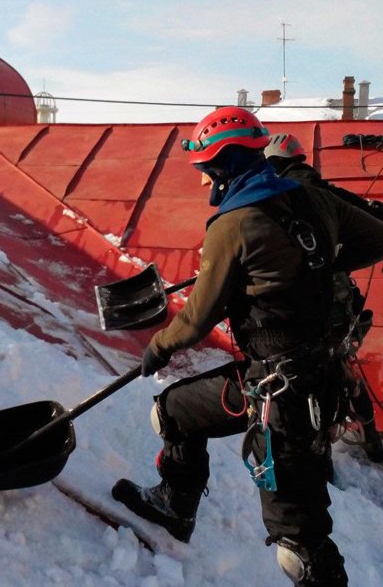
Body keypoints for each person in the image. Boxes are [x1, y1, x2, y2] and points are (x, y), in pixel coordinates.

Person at [110, 107, 383, 586]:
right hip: (287, 379)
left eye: (205, 171)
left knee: (300, 547)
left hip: (285, 396)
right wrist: (317, 261)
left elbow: (197, 319)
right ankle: (176, 506)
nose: (202, 183)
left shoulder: (232, 226)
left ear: (224, 165)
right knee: (172, 411)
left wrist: (159, 345)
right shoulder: (315, 200)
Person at [265, 132, 383, 462]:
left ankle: (321, 457)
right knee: (342, 369)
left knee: (312, 379)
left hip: (310, 305)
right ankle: (372, 440)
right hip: (340, 302)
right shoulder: (328, 194)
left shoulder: (280, 196)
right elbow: (372, 222)